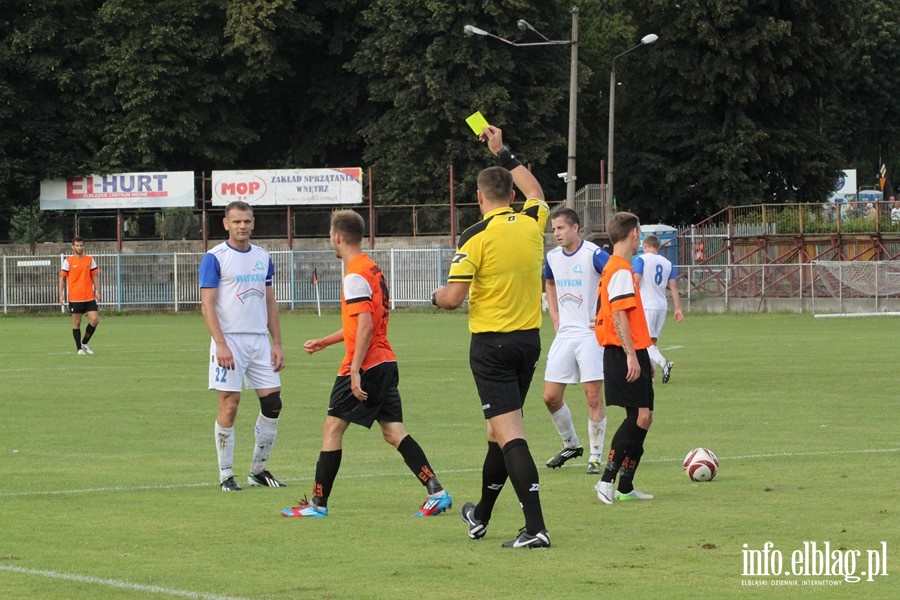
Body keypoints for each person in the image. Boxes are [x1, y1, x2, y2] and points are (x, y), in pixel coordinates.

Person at [281, 210, 451, 518]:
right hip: (385, 361)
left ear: (337, 237)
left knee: (332, 427)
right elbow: (362, 323)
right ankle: (436, 491)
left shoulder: (355, 274)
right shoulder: (372, 269)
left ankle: (318, 504)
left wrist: (355, 369)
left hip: (366, 364)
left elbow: (365, 327)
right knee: (394, 431)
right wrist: (324, 341)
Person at [431, 124, 551, 549]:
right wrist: (503, 151)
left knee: (511, 432)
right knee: (495, 433)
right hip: (529, 342)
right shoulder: (534, 220)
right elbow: (536, 188)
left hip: (492, 346)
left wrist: (434, 295)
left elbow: (453, 298)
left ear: (479, 197)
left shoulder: (475, 236)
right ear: (512, 196)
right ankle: (480, 515)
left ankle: (535, 527)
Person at [199, 201, 287, 492]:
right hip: (230, 340)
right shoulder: (215, 258)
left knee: (273, 403)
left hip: (259, 341)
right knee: (230, 405)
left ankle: (258, 471)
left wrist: (277, 342)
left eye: (247, 221)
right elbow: (207, 305)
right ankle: (226, 474)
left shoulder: (263, 256)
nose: (242, 226)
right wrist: (220, 343)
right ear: (226, 224)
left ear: (253, 222)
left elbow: (270, 302)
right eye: (236, 221)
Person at [593, 212, 656, 505]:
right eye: (639, 232)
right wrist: (632, 356)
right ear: (633, 234)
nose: (640, 237)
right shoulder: (618, 270)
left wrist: (646, 356)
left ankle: (626, 486)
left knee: (645, 418)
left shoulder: (619, 268)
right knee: (638, 417)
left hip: (634, 350)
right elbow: (618, 316)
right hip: (622, 351)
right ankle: (606, 480)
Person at [542, 207, 610, 474]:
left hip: (590, 335)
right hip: (565, 335)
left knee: (593, 398)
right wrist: (555, 314)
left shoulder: (593, 254)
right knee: (550, 397)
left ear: (575, 227)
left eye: (560, 228)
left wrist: (604, 313)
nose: (556, 233)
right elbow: (549, 282)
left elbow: (616, 277)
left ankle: (595, 456)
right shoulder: (552, 257)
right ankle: (571, 444)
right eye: (554, 228)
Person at [633, 234, 684, 383]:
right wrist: (678, 308)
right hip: (661, 306)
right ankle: (652, 375)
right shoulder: (667, 262)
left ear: (646, 245)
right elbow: (673, 285)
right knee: (653, 341)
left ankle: (663, 363)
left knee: (644, 342)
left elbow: (635, 280)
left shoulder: (642, 259)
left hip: (646, 305)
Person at [59, 236, 100, 355]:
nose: (79, 247)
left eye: (81, 245)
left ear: (84, 246)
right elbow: (62, 278)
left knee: (95, 319)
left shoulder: (90, 260)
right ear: (73, 247)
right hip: (75, 297)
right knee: (77, 322)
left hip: (89, 296)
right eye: (77, 245)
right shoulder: (68, 261)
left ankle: (85, 342)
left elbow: (94, 276)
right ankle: (79, 348)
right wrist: (61, 295)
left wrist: (97, 290)